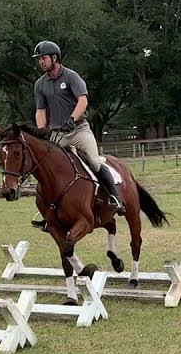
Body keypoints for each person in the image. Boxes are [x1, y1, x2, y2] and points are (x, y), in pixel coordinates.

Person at [29, 40, 125, 220]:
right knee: (48, 167)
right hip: (58, 134)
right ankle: (48, 212)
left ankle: (115, 198)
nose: (41, 62)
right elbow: (40, 111)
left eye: (43, 58)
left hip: (79, 130)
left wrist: (72, 119)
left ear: (54, 58)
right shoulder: (40, 84)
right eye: (39, 59)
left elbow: (83, 100)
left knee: (94, 162)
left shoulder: (71, 77)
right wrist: (42, 131)